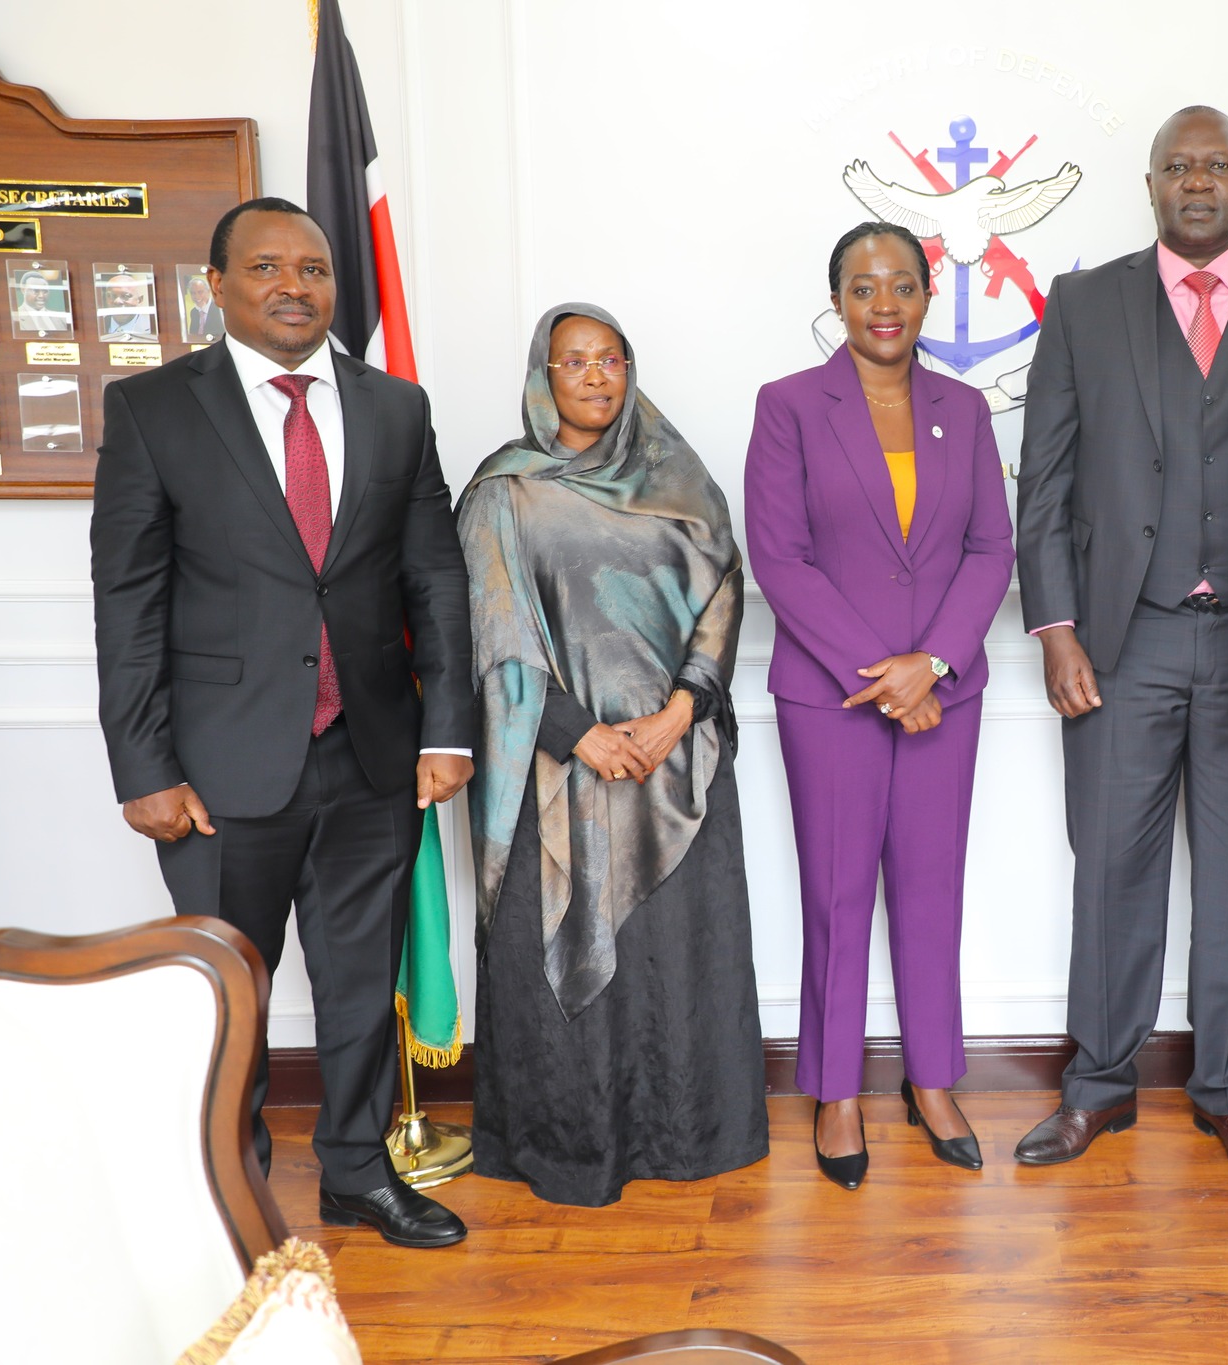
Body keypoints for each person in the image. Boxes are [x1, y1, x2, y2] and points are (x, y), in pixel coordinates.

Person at [91, 197, 475, 1247]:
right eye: (267, 268)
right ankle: (231, 1188)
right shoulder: (154, 409)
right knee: (229, 994)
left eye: (313, 269)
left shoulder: (396, 407)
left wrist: (447, 729)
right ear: (217, 285)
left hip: (371, 753)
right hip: (218, 767)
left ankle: (356, 1172)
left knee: (360, 984)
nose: (294, 287)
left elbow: (435, 577)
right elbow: (128, 598)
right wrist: (142, 766)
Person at [1012, 107, 1228, 1177]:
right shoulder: (1083, 304)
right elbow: (1044, 479)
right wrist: (1056, 628)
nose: (1197, 181)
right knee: (1112, 870)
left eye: (1216, 166)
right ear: (1150, 183)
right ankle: (1098, 1087)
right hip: (1123, 644)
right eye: (1177, 166)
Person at [458, 304, 767, 1206]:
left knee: (679, 956)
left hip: (677, 761)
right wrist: (576, 731)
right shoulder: (503, 492)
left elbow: (723, 592)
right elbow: (494, 632)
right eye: (573, 361)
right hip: (554, 765)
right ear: (542, 377)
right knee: (565, 966)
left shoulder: (681, 478)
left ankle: (691, 1137)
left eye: (610, 359)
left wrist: (681, 710)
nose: (595, 375)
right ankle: (574, 1150)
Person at [745, 221, 1015, 1189]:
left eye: (902, 284)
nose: (885, 303)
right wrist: (887, 674)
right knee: (837, 894)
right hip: (831, 698)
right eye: (864, 288)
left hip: (945, 691)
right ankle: (835, 1092)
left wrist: (932, 664)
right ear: (837, 302)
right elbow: (779, 557)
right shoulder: (788, 406)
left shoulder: (964, 408)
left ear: (926, 296)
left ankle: (932, 1079)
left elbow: (991, 548)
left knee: (931, 890)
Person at [100, 271, 158, 341]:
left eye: (126, 296)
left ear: (139, 300)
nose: (117, 301)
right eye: (112, 296)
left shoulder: (153, 327)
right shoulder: (97, 326)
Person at [12, 270, 68, 336]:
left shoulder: (61, 318)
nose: (41, 296)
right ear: (23, 290)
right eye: (36, 291)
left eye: (45, 291)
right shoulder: (14, 318)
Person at [184, 271, 225, 342]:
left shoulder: (219, 308)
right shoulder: (194, 312)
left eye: (200, 292)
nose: (196, 296)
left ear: (208, 292)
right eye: (193, 293)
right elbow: (192, 335)